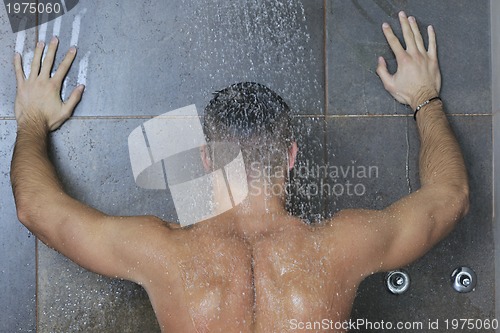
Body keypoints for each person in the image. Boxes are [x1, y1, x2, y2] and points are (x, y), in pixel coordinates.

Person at [10, 11, 468, 332]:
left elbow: (36, 208)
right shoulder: (340, 247)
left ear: (209, 161)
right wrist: (425, 97)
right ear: (289, 156)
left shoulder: (162, 253)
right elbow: (450, 197)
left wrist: (31, 120)